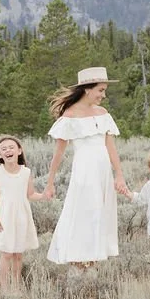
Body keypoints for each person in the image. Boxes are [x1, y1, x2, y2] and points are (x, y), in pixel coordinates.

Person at [44, 67, 129, 270]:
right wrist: (49, 182)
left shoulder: (103, 114)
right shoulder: (70, 116)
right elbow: (59, 153)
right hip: (84, 172)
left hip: (103, 173)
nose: (103, 95)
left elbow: (111, 148)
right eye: (100, 90)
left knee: (100, 214)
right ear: (87, 90)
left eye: (104, 90)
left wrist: (119, 175)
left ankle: (92, 261)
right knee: (85, 214)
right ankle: (79, 261)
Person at [0, 135, 45, 294]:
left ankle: (16, 285)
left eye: (11, 147)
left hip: (21, 215)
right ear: (0, 155)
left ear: (19, 151)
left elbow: (30, 194)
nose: (7, 150)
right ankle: (4, 288)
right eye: (3, 149)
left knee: (18, 253)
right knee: (6, 252)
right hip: (4, 215)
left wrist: (44, 195)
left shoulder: (26, 172)